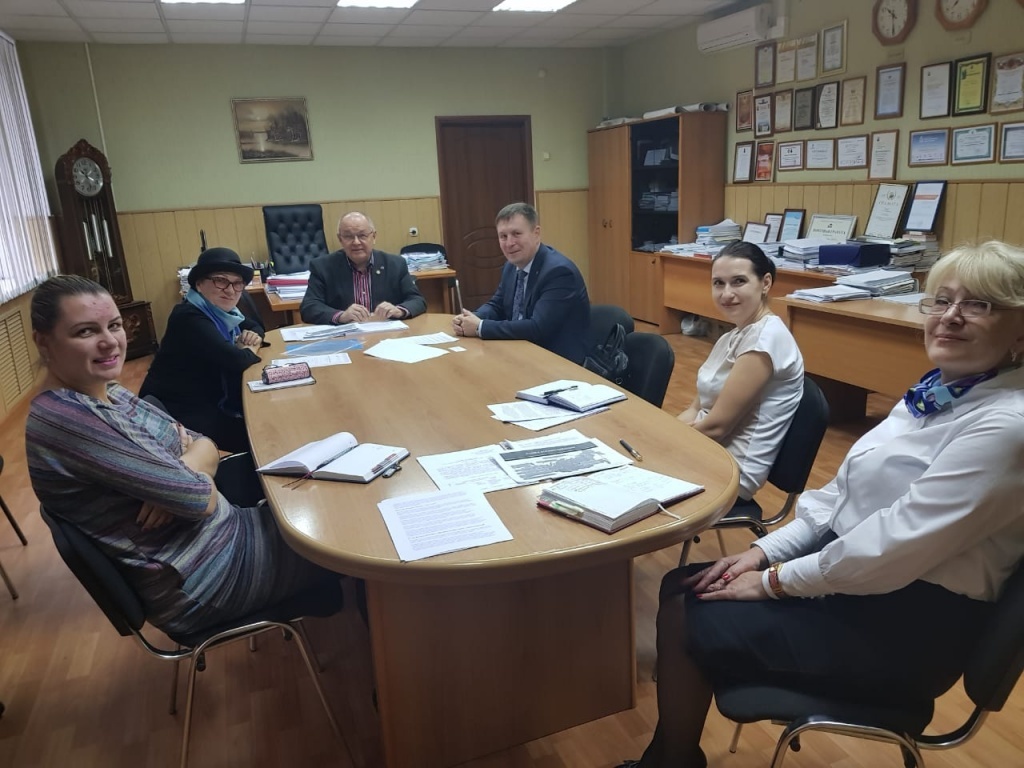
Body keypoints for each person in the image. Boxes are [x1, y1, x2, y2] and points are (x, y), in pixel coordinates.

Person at [621, 241, 1024, 768]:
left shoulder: (1006, 425)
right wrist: (763, 554)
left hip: (906, 626)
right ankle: (672, 757)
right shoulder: (938, 391)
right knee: (685, 584)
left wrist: (772, 582)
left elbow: (891, 548)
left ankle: (669, 762)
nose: (950, 316)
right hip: (863, 580)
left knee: (686, 610)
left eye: (978, 305)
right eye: (942, 300)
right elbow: (838, 497)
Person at [26, 275, 337, 636]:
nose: (109, 341)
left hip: (222, 536)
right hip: (206, 579)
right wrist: (185, 478)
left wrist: (179, 470)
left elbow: (202, 442)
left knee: (329, 502)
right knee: (345, 535)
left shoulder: (103, 389)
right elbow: (200, 499)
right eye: (85, 331)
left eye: (114, 325)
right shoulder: (71, 420)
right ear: (44, 342)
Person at [677, 241, 803, 501]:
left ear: (765, 283)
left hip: (732, 470)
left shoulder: (765, 340)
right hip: (706, 448)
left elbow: (717, 427)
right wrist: (660, 434)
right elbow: (695, 408)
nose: (726, 294)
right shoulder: (733, 335)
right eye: (718, 283)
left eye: (738, 281)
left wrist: (664, 444)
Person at [140, 247, 263, 454]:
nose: (230, 290)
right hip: (181, 411)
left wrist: (251, 340)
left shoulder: (225, 313)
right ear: (199, 284)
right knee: (263, 434)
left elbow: (257, 327)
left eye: (237, 283)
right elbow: (237, 360)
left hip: (209, 399)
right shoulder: (188, 317)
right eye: (220, 281)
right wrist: (248, 348)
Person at [452, 202, 590, 364]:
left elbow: (537, 328)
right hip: (521, 353)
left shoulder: (559, 272)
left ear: (536, 233)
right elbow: (497, 305)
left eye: (516, 234)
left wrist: (479, 327)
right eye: (503, 236)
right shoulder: (511, 267)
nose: (509, 243)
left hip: (557, 362)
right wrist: (472, 318)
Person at [300, 211, 426, 325]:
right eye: (348, 236)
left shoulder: (395, 264)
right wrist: (341, 316)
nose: (356, 242)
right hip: (345, 336)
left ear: (373, 237)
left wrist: (399, 310)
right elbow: (309, 307)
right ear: (340, 239)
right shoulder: (322, 267)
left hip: (387, 334)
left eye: (362, 235)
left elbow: (417, 300)